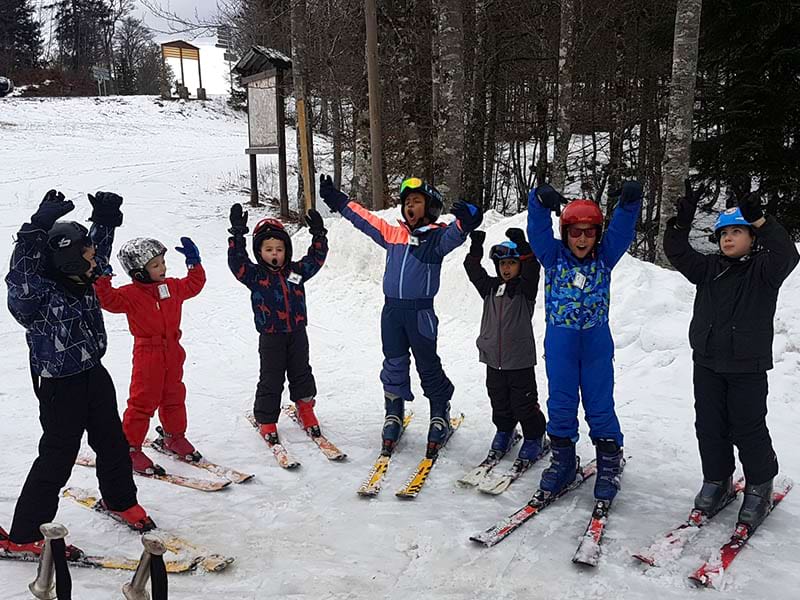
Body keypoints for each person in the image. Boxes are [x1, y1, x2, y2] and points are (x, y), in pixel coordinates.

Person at [1, 190, 154, 559]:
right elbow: (19, 278)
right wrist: (36, 227)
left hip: (93, 374)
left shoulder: (83, 277)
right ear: (68, 259)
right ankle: (24, 533)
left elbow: (97, 248)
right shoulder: (36, 297)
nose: (95, 260)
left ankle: (119, 500)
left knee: (112, 442)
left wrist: (102, 217)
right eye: (86, 255)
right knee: (58, 455)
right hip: (58, 385)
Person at [664, 182, 799, 530]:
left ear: (752, 239)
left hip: (746, 367)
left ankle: (759, 485)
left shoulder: (765, 272)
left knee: (747, 427)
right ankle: (717, 481)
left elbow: (787, 254)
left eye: (737, 232)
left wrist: (761, 221)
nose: (728, 239)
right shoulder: (709, 269)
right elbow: (677, 253)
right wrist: (680, 224)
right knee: (709, 426)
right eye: (724, 233)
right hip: (707, 363)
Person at [319, 174, 483, 457]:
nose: (410, 206)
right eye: (407, 202)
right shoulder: (393, 233)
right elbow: (364, 219)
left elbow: (457, 233)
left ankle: (439, 411)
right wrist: (338, 200)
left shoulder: (437, 238)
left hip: (420, 314)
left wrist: (469, 220)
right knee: (393, 362)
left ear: (430, 207)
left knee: (427, 364)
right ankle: (393, 411)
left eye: (417, 201)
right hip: (392, 312)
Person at [526, 181, 643, 503]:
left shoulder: (605, 258)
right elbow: (536, 228)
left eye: (589, 232)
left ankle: (609, 461)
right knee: (561, 404)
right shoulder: (552, 257)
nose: (581, 239)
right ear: (564, 233)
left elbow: (621, 231)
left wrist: (629, 204)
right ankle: (563, 461)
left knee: (599, 404)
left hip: (595, 343)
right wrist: (538, 201)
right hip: (561, 342)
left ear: (597, 235)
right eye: (575, 232)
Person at [94, 234, 206, 474]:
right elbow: (107, 300)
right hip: (148, 353)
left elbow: (194, 285)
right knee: (143, 400)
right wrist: (102, 279)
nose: (163, 268)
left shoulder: (172, 287)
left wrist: (194, 263)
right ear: (138, 272)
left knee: (174, 395)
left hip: (174, 350)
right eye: (155, 265)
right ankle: (130, 448)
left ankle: (174, 436)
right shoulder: (130, 294)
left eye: (163, 262)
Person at [228, 204, 328, 443]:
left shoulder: (296, 272)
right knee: (271, 377)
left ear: (287, 250)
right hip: (271, 336)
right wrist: (238, 236)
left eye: (279, 249)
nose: (275, 254)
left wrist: (319, 235)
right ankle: (266, 419)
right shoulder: (255, 276)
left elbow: (316, 259)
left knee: (302, 372)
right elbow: (237, 263)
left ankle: (305, 409)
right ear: (259, 252)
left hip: (297, 333)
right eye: (268, 249)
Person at [463, 227, 548, 465]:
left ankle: (535, 436)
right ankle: (505, 431)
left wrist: (522, 244)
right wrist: (476, 248)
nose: (506, 268)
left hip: (519, 360)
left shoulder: (524, 290)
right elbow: (472, 270)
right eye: (502, 264)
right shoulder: (490, 288)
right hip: (493, 359)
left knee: (524, 402)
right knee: (498, 400)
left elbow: (533, 269)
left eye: (511, 263)